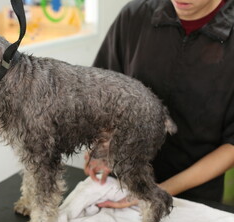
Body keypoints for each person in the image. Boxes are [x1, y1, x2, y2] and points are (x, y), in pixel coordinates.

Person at [84, 0, 234, 208]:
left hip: (194, 197)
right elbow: (103, 92)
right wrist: (102, 144)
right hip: (121, 185)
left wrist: (160, 191)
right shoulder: (134, 15)